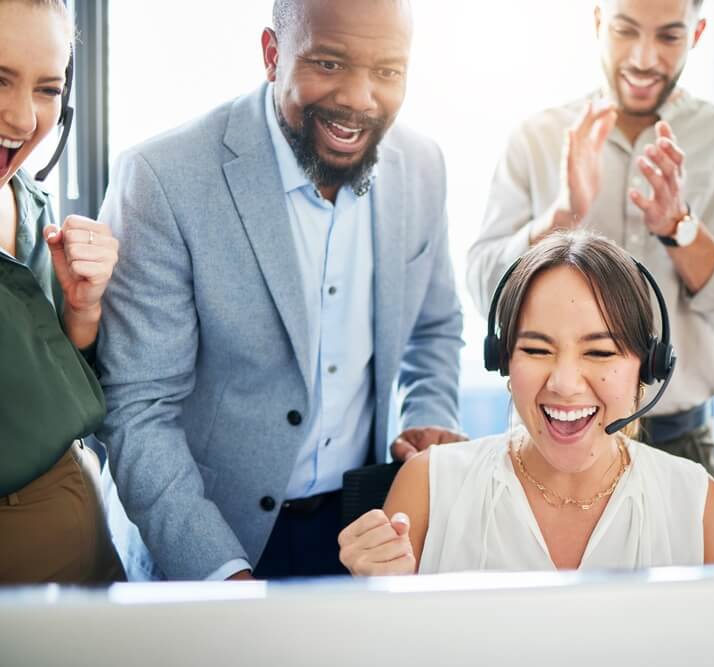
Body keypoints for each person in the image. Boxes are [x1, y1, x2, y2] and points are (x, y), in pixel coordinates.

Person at [96, 0, 464, 581]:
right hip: (210, 538)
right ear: (273, 55)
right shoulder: (162, 178)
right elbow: (139, 410)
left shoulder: (423, 166)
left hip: (362, 534)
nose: (360, 98)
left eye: (388, 72)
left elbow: (434, 327)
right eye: (328, 63)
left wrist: (425, 417)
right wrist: (220, 573)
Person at [466, 0, 714, 480]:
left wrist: (681, 228)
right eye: (625, 31)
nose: (643, 58)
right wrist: (563, 212)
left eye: (668, 37)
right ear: (598, 22)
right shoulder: (537, 136)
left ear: (696, 33)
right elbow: (482, 290)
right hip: (553, 434)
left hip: (680, 444)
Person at [339, 231, 714, 575]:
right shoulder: (429, 484)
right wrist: (378, 595)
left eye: (600, 352)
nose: (564, 384)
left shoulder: (694, 502)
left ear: (648, 365)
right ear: (502, 359)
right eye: (537, 349)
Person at [0, 0, 122, 583]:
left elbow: (56, 367)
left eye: (48, 89)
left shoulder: (30, 199)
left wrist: (83, 307)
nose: (24, 119)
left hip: (83, 526)